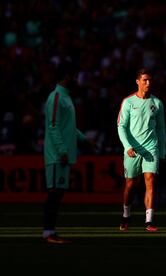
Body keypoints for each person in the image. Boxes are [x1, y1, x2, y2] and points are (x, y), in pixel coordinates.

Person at [43, 60, 94, 244]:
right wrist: (62, 150)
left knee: (57, 194)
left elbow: (68, 127)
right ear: (66, 76)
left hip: (62, 154)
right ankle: (48, 233)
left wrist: (84, 140)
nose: (76, 79)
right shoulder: (56, 97)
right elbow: (53, 125)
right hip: (57, 155)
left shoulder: (65, 97)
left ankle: (50, 232)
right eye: (74, 75)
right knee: (54, 194)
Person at [117, 68, 166, 232]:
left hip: (151, 148)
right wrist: (127, 146)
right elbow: (121, 127)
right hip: (132, 150)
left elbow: (161, 129)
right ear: (137, 81)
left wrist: (162, 150)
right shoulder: (128, 102)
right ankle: (125, 216)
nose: (148, 83)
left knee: (150, 182)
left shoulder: (157, 103)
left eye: (150, 80)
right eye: (144, 80)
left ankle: (149, 221)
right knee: (130, 185)